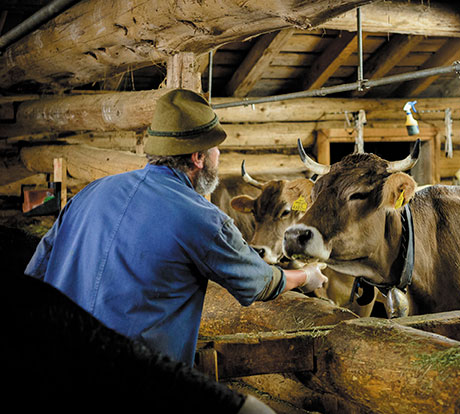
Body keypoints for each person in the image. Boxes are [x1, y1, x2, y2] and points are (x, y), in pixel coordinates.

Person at [24, 89, 327, 368]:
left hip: (55, 364)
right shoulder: (203, 219)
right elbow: (258, 281)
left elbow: (36, 272)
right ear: (198, 158)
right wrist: (306, 276)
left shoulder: (89, 193)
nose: (218, 157)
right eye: (215, 150)